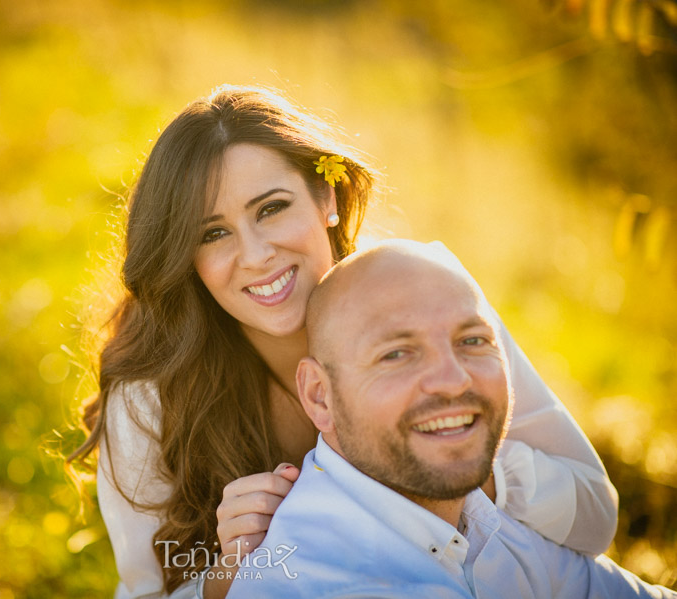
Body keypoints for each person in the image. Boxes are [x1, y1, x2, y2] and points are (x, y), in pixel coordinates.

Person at [69, 85, 618, 599]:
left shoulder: (427, 296)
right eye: (213, 233)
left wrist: (456, 462)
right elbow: (144, 591)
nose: (256, 254)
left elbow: (597, 516)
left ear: (325, 198)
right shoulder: (150, 395)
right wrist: (224, 575)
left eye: (271, 208)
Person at [226, 241, 673, 599]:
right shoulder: (313, 581)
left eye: (473, 340)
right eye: (397, 354)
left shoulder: (486, 520)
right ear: (319, 396)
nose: (453, 380)